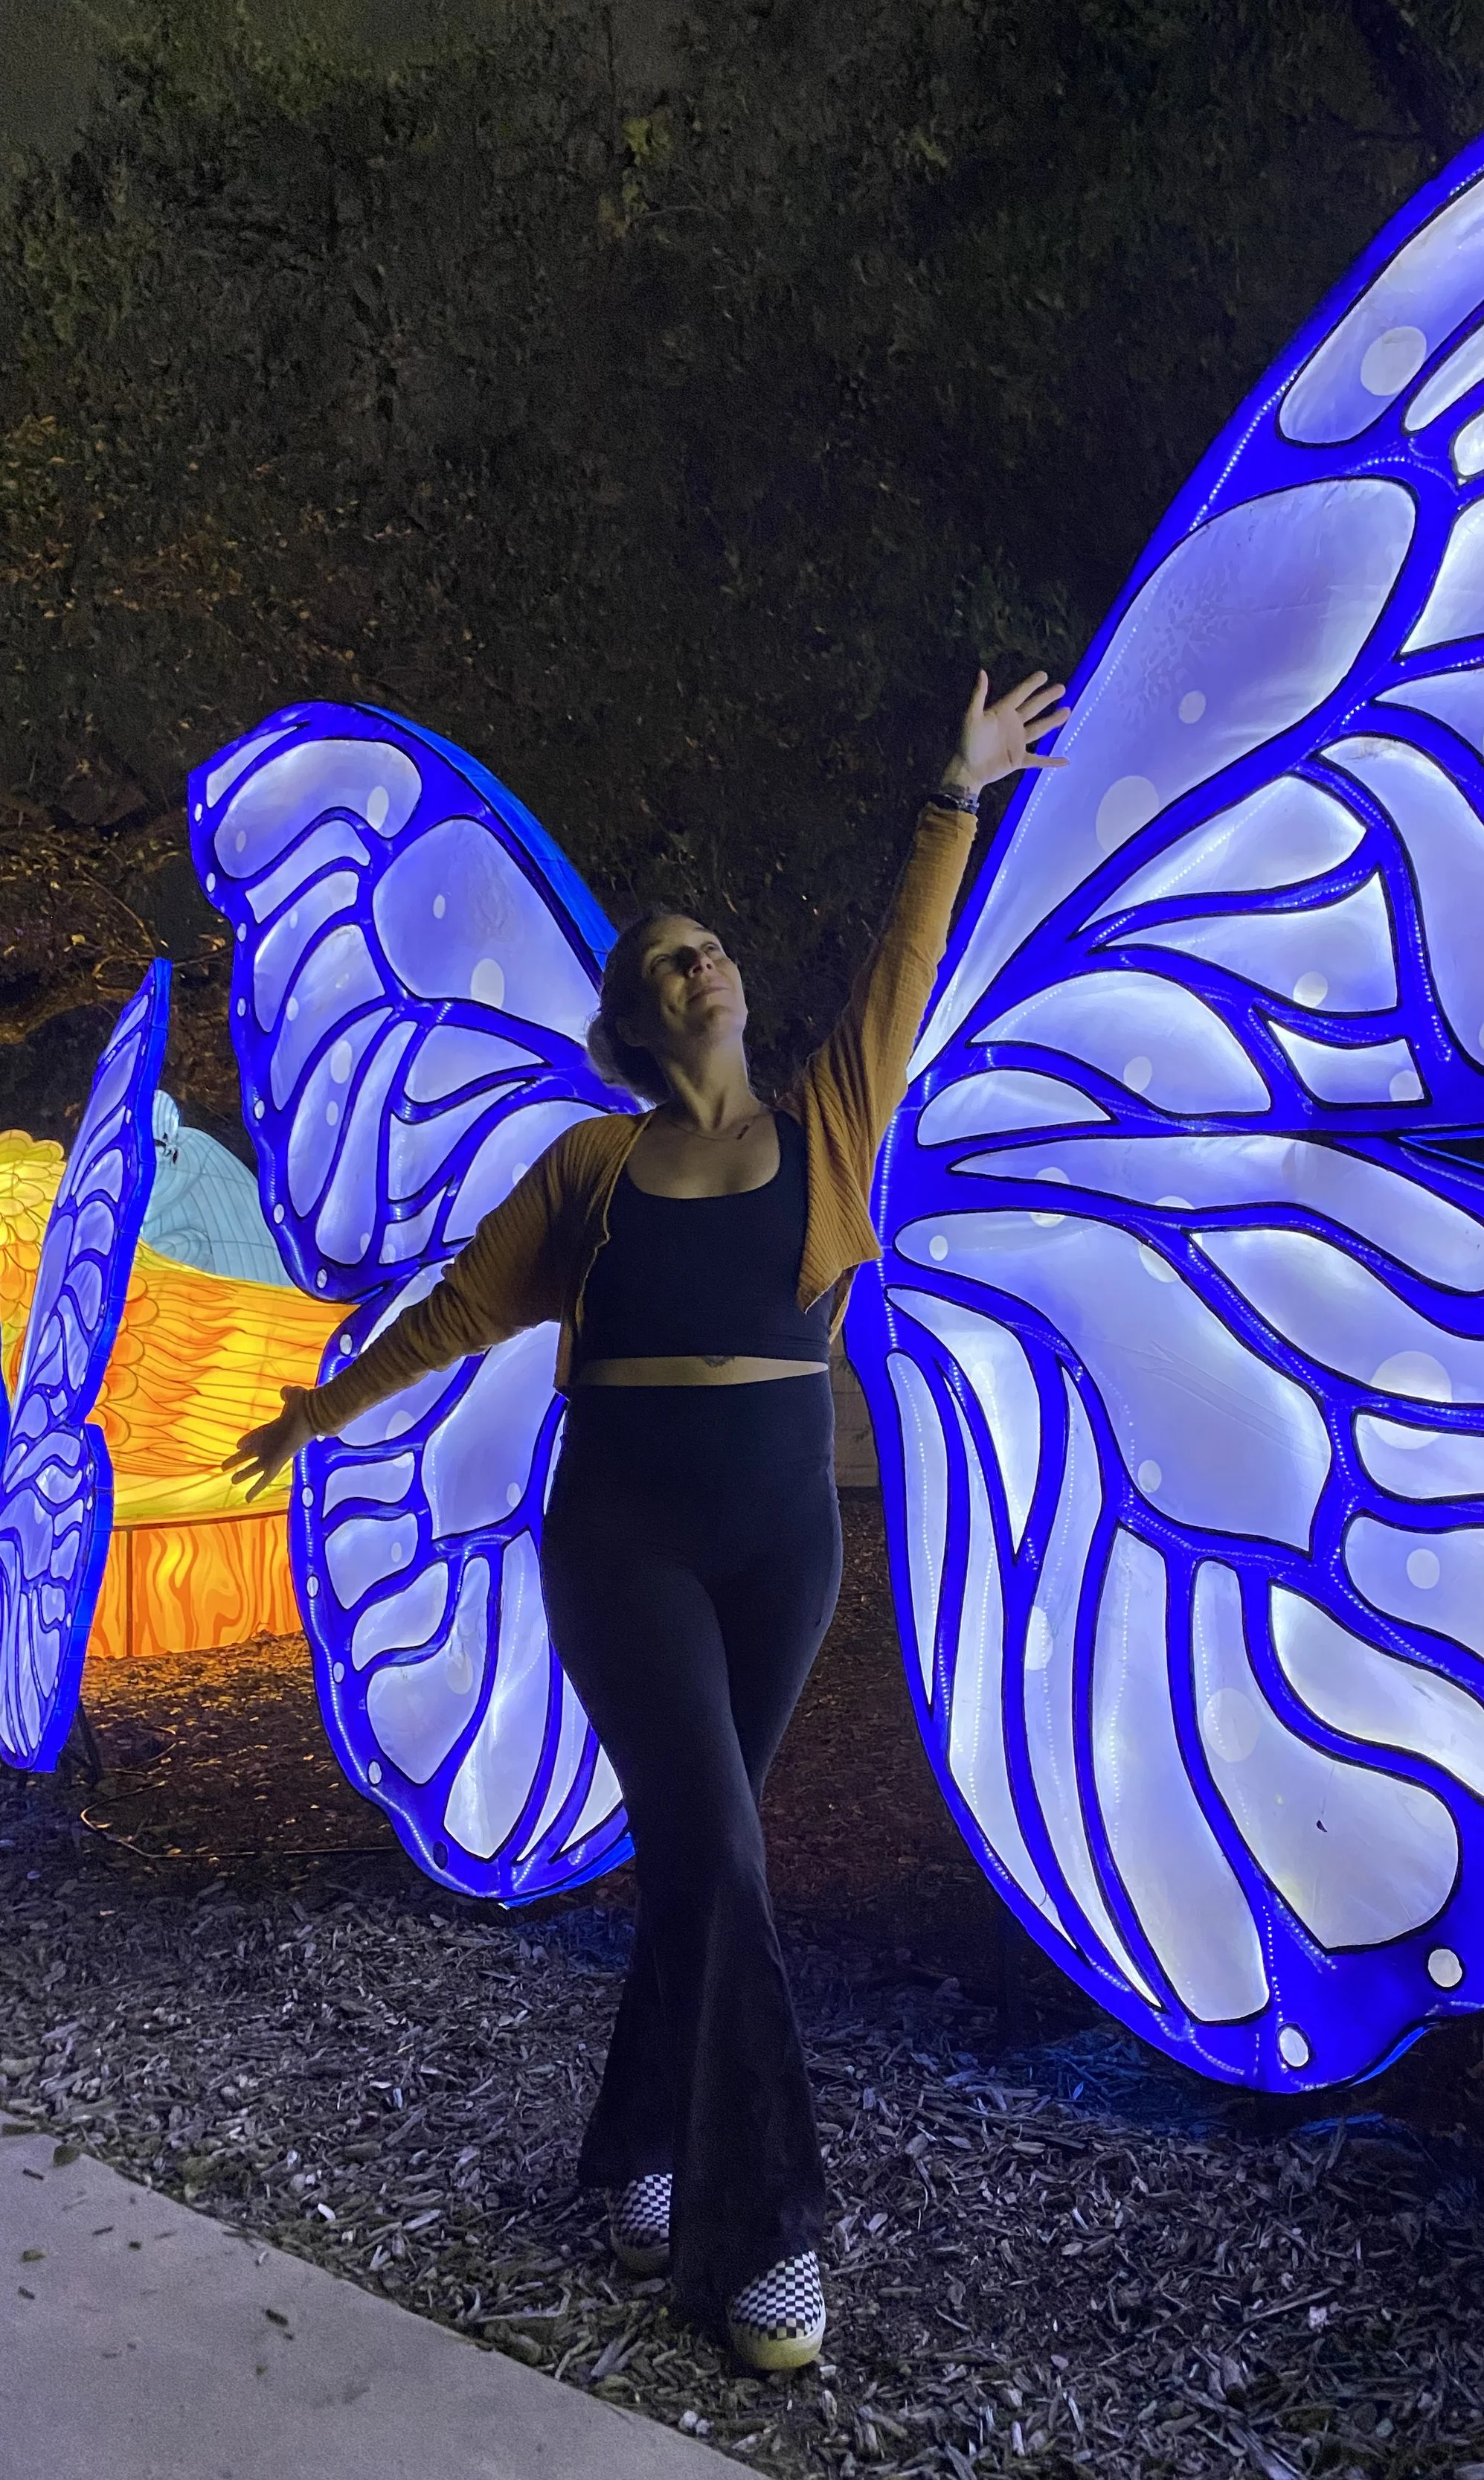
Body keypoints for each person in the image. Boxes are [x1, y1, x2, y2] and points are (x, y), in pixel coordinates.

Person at [227, 668, 1070, 2371]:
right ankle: (758, 2242)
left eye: (711, 947)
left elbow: (900, 974)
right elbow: (464, 1313)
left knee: (701, 1860)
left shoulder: (822, 1128)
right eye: (669, 956)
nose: (706, 963)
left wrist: (953, 793)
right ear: (632, 1015)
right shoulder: (589, 1171)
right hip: (622, 1543)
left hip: (781, 1549)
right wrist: (321, 1410)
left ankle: (629, 2152)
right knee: (730, 1851)